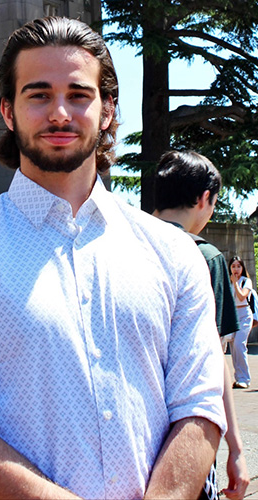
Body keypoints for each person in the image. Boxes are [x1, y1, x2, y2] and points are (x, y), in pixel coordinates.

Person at [0, 17, 226, 500]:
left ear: (107, 111)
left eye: (78, 94)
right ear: (8, 111)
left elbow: (201, 406)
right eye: (38, 95)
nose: (60, 112)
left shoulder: (174, 253)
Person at [153, 150, 249, 500]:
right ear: (205, 198)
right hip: (185, 432)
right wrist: (236, 449)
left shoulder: (117, 242)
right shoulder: (204, 256)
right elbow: (213, 358)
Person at [228, 255, 253, 389]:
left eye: (238, 266)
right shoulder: (228, 281)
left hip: (244, 315)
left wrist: (236, 283)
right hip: (233, 315)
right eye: (233, 266)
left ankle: (245, 378)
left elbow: (242, 296)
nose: (236, 269)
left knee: (239, 345)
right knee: (233, 348)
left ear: (242, 268)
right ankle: (239, 378)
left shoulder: (245, 281)